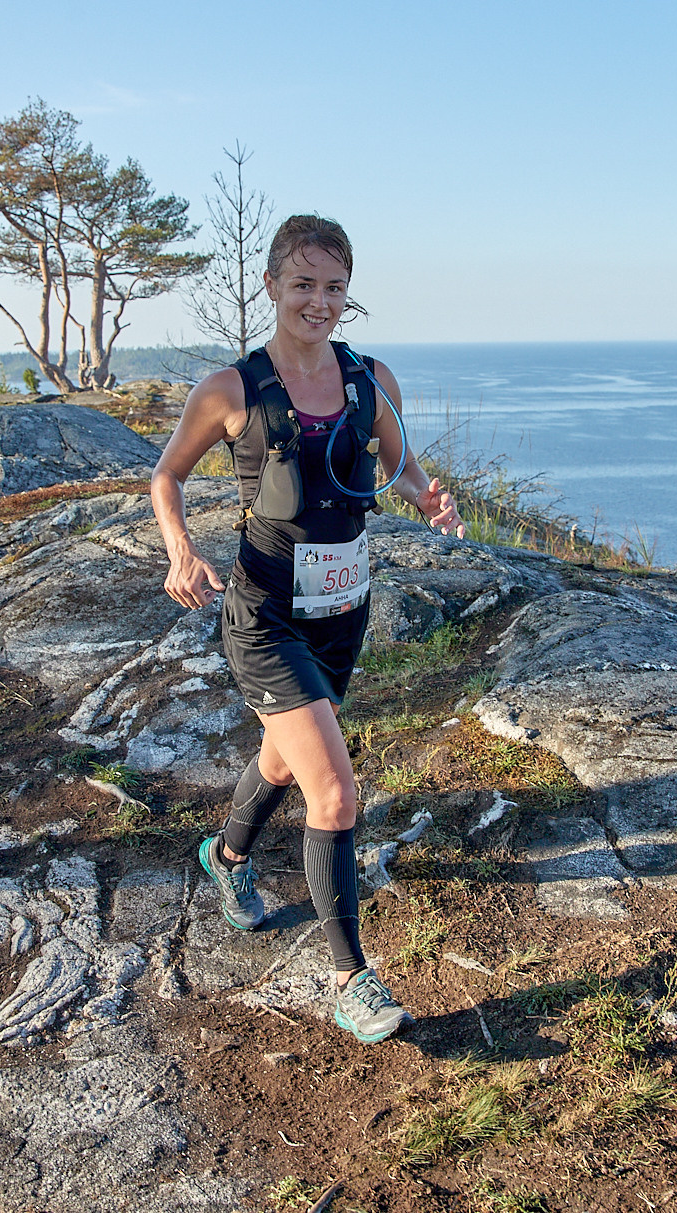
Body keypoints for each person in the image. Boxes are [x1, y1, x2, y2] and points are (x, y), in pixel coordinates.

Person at [150, 214, 464, 1044]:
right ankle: (350, 976)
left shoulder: (369, 378)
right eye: (304, 284)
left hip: (343, 612)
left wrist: (430, 497)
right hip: (263, 612)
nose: (319, 301)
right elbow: (165, 476)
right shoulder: (232, 389)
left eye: (334, 287)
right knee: (334, 788)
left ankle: (227, 856)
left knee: (284, 757)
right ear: (272, 286)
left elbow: (399, 463)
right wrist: (181, 549)